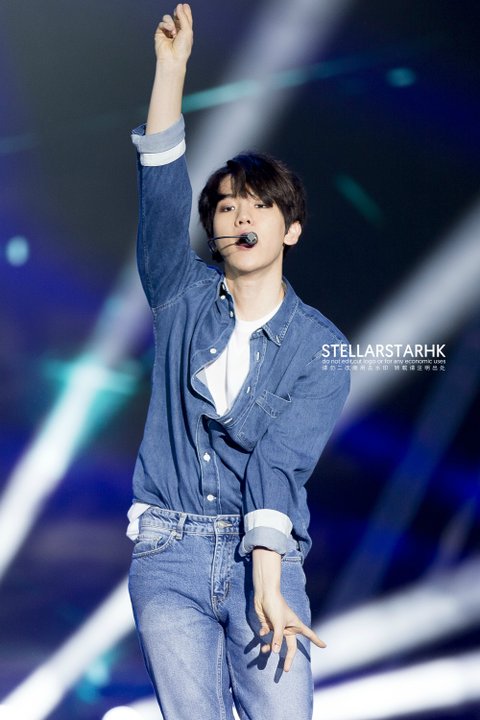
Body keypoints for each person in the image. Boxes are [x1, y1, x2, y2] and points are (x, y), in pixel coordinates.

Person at [127, 5, 349, 719]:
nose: (241, 216)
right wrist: (171, 71)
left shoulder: (320, 349)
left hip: (265, 554)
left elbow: (278, 466)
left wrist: (267, 580)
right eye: (226, 208)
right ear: (214, 229)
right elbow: (161, 189)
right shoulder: (179, 295)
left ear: (292, 229)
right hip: (168, 553)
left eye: (259, 206)